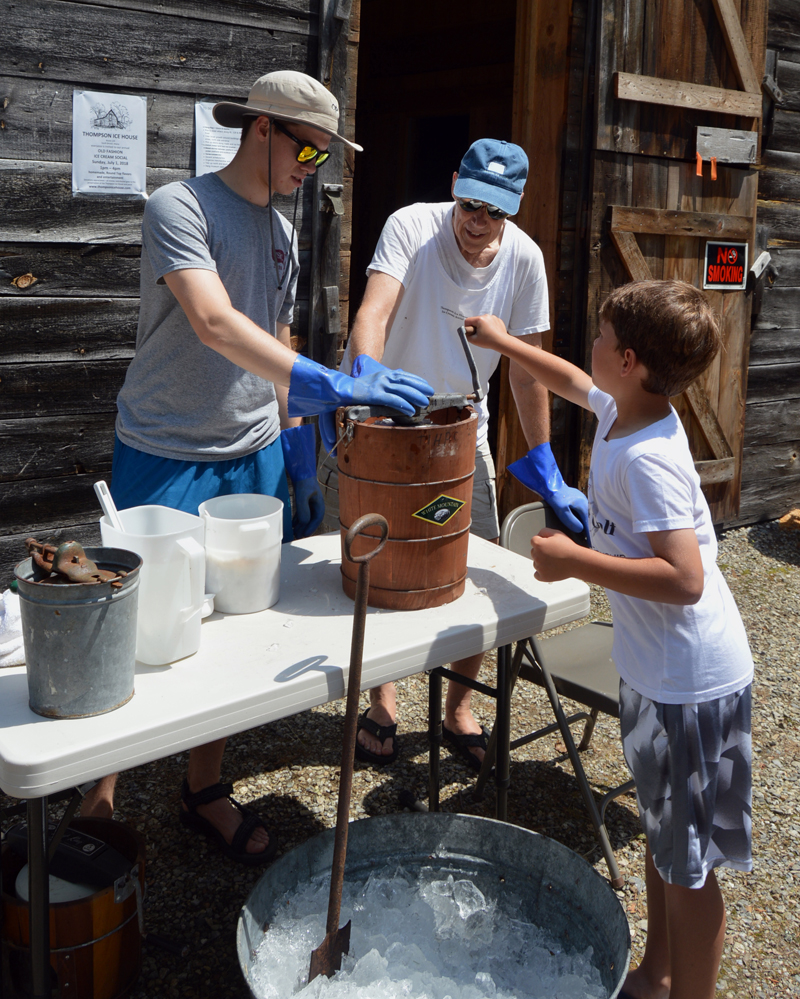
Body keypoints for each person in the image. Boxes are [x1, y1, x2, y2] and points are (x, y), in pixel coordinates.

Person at [79, 70, 433, 865]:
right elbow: (211, 321)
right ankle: (97, 793)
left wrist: (299, 443)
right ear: (263, 129)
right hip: (165, 449)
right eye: (309, 147)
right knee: (131, 623)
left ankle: (202, 786)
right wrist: (334, 380)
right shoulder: (181, 206)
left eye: (327, 153)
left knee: (238, 629)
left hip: (253, 455)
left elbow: (274, 339)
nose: (316, 164)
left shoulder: (283, 230)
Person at [466, 280, 753, 999]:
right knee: (665, 841)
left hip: (692, 684)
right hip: (657, 672)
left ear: (626, 358)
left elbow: (685, 577)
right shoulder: (628, 406)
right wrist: (503, 343)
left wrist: (575, 562)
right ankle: (656, 974)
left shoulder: (645, 455)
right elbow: (568, 379)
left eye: (598, 334)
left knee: (693, 873)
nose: (587, 346)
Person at [318, 138, 588, 769]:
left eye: (493, 212)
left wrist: (544, 459)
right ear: (454, 188)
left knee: (475, 572)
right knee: (378, 564)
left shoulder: (524, 260)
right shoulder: (411, 225)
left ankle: (458, 706)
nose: (477, 221)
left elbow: (524, 372)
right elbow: (374, 313)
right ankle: (383, 701)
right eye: (469, 203)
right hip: (388, 416)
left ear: (512, 210)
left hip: (463, 427)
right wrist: (365, 387)